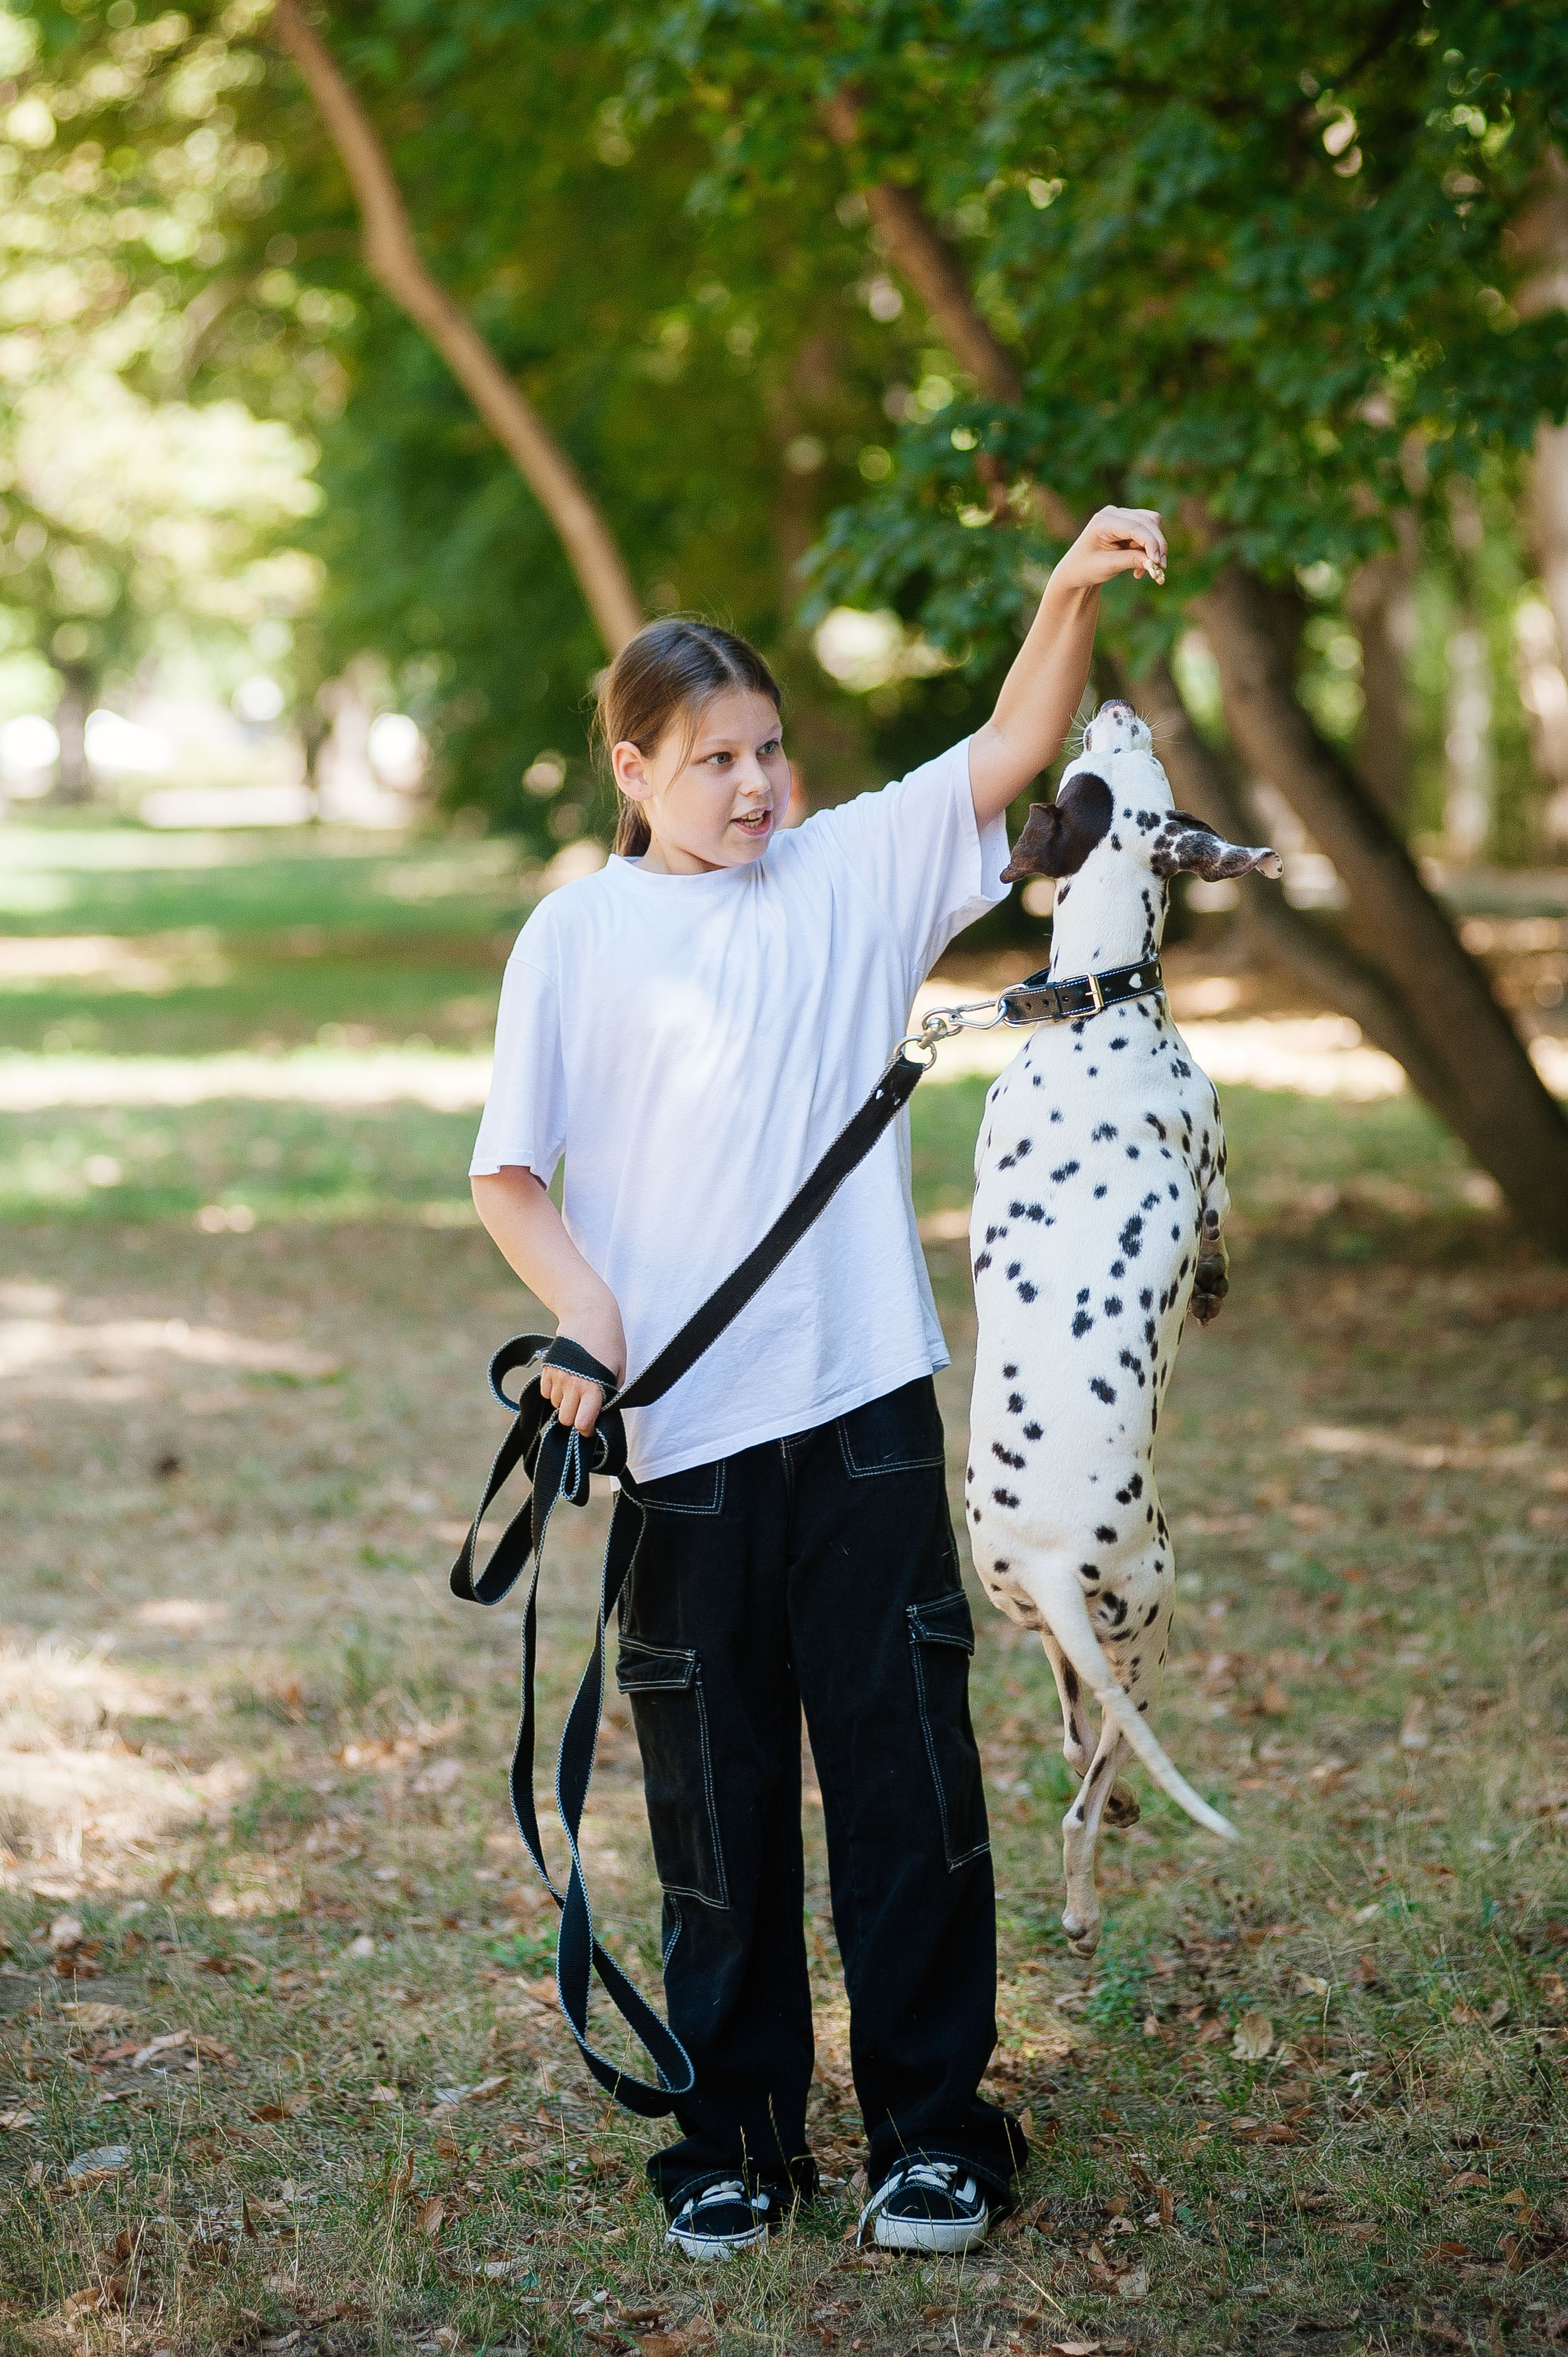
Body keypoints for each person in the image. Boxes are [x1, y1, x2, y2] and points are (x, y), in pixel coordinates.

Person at [469, 505, 1168, 2259]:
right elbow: (510, 1177)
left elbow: (1009, 750)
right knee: (713, 1812)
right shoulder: (575, 940)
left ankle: (934, 2131)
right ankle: (734, 2139)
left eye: (771, 748)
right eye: (713, 761)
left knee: (903, 1782)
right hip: (680, 1444)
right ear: (633, 771)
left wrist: (1063, 592)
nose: (755, 785)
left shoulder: (853, 874)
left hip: (858, 1410)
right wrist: (588, 1324)